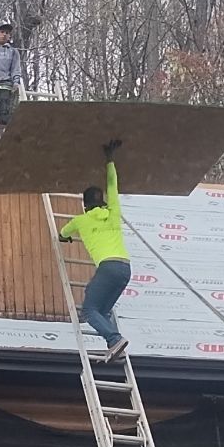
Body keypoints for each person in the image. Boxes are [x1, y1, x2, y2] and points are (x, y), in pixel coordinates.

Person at [58, 141, 131, 360]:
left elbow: (62, 232)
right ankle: (115, 346)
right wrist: (110, 160)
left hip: (108, 267)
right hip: (125, 269)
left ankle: (115, 339)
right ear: (103, 201)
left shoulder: (80, 221)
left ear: (84, 205)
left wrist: (65, 237)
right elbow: (113, 185)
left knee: (89, 310)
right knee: (102, 312)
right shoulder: (113, 211)